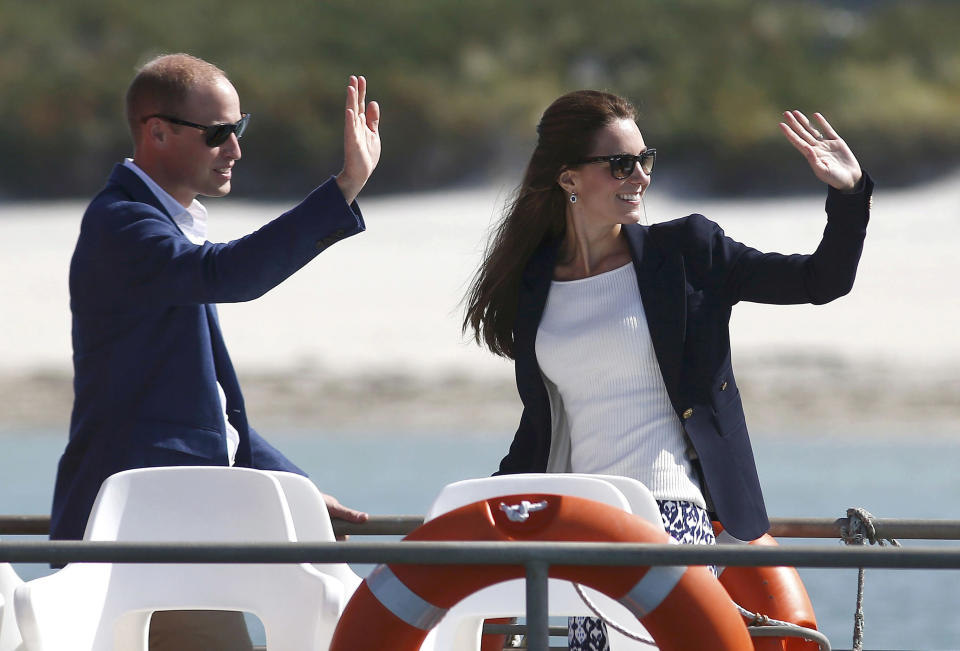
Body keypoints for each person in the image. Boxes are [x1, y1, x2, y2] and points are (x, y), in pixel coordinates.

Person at [463, 90, 872, 651]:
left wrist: (848, 195)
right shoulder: (535, 285)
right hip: (585, 529)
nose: (639, 177)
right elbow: (545, 424)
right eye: (619, 164)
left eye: (644, 159)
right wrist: (476, 510)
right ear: (569, 179)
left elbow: (820, 281)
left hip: (672, 513)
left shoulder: (686, 253)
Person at [51, 53, 381, 650]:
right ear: (156, 132)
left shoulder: (161, 226)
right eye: (217, 134)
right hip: (143, 541)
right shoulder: (123, 226)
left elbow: (207, 411)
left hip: (176, 536)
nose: (234, 149)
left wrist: (294, 488)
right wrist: (344, 188)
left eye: (239, 128)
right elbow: (231, 275)